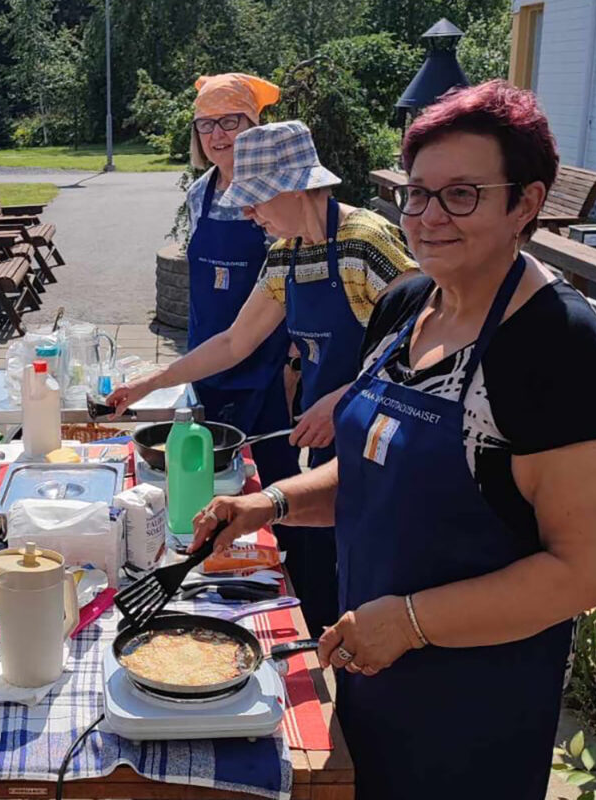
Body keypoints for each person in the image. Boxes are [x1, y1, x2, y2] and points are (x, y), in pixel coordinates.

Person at [191, 81, 596, 799]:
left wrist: (408, 622)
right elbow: (379, 471)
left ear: (525, 202)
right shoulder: (408, 305)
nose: (428, 217)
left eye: (462, 195)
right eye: (418, 193)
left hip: (474, 711)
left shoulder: (557, 348)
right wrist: (269, 505)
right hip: (372, 673)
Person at [110, 121, 418, 631]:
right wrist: (151, 382)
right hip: (327, 440)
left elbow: (423, 342)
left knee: (368, 577)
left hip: (384, 441)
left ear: (297, 188)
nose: (248, 213)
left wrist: (346, 397)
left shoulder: (365, 243)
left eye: (255, 200)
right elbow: (235, 341)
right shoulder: (285, 253)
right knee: (321, 571)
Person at [181, 72, 298, 485]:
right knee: (209, 478)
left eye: (231, 121)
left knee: (276, 479)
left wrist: (293, 364)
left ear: (254, 127)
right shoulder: (199, 193)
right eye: (206, 124)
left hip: (266, 366)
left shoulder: (278, 195)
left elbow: (301, 280)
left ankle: (290, 552)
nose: (218, 134)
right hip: (207, 359)